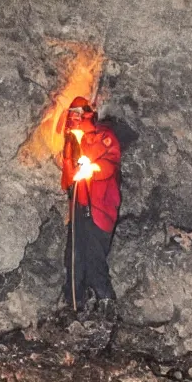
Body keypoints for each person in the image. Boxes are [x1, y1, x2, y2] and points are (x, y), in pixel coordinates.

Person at [58, 96, 122, 311]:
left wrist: (90, 168)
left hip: (99, 208)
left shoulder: (103, 136)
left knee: (95, 261)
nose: (73, 119)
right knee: (75, 260)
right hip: (79, 208)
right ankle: (76, 306)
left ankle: (106, 307)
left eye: (77, 114)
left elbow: (109, 164)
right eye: (71, 114)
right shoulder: (71, 143)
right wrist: (70, 162)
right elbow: (67, 181)